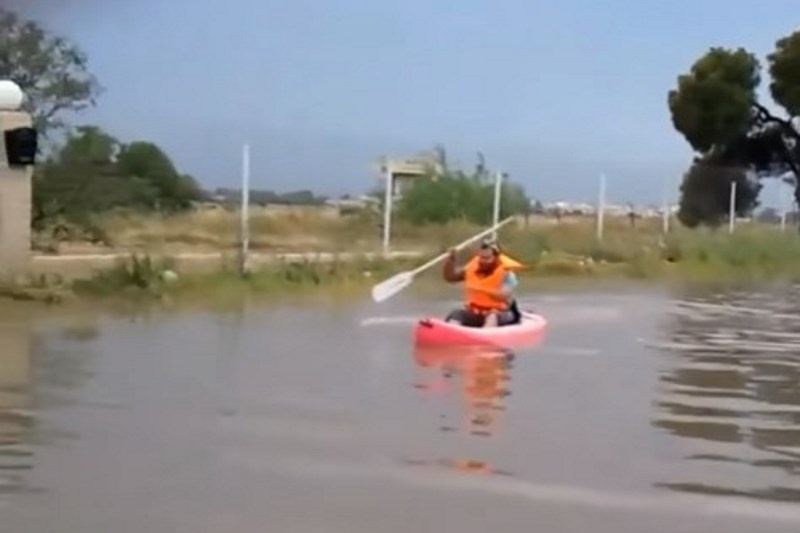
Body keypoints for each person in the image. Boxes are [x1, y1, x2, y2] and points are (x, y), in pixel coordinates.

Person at [442, 239, 523, 328]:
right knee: (456, 314)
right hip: (475, 312)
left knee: (492, 317)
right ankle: (452, 333)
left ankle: (485, 335)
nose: (483, 261)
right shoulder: (472, 268)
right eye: (481, 257)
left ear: (496, 258)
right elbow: (450, 278)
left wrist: (482, 289)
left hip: (500, 313)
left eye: (487, 258)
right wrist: (450, 260)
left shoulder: (507, 274)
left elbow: (503, 296)